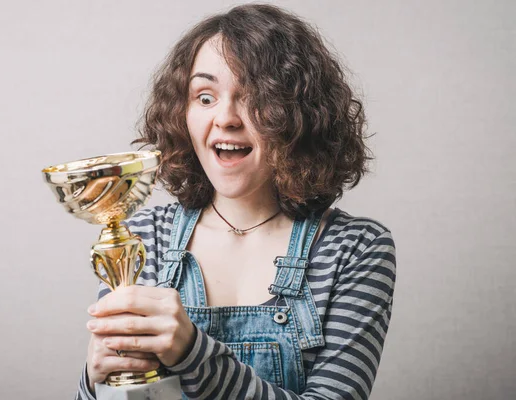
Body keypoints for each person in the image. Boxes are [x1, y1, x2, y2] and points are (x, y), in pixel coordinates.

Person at [77, 4, 396, 400]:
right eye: (205, 96)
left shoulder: (355, 249)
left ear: (299, 114)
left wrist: (194, 354)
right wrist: (94, 383)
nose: (226, 117)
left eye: (253, 97)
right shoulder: (144, 239)